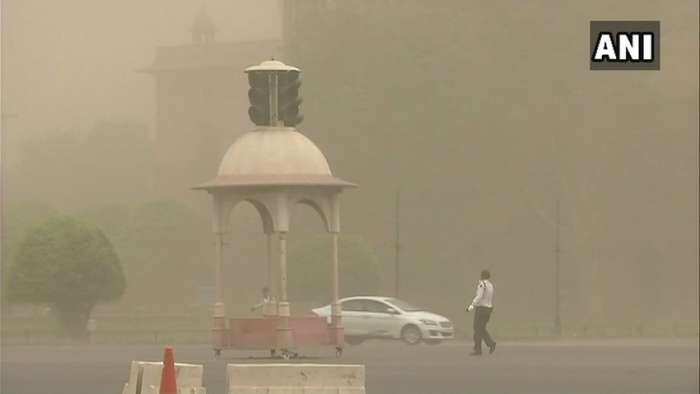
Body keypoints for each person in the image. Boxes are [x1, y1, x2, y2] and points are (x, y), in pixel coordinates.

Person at [466, 269, 496, 355]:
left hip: (481, 309)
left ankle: (478, 349)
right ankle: (490, 344)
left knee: (477, 328)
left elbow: (479, 296)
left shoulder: (482, 284)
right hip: (489, 309)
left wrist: (472, 305)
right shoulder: (491, 285)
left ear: (481, 276)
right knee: (481, 328)